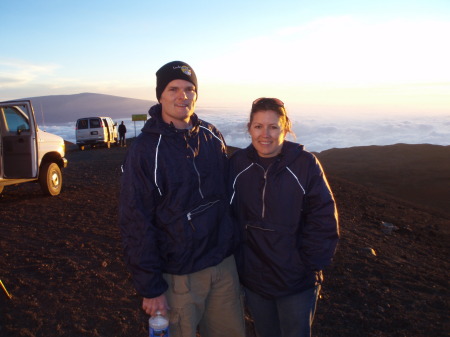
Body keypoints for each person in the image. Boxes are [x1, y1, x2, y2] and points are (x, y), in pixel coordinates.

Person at [118, 61, 245, 337]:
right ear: (160, 95)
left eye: (189, 89)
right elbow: (135, 221)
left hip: (223, 267)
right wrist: (151, 288)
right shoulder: (145, 151)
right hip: (180, 277)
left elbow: (230, 199)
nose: (182, 95)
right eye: (173, 88)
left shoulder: (211, 136)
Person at [229, 97, 340, 337]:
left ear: (285, 128)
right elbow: (227, 216)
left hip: (295, 282)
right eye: (258, 126)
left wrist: (308, 265)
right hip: (255, 279)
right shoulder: (238, 165)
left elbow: (323, 218)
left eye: (273, 126)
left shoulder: (304, 164)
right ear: (249, 128)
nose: (265, 134)